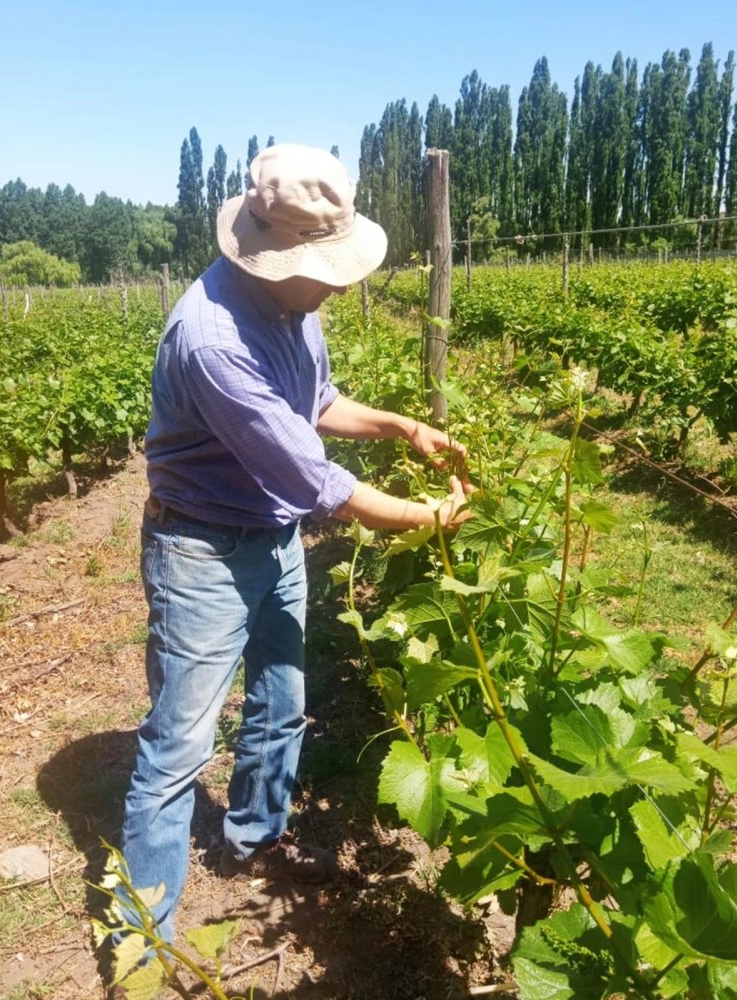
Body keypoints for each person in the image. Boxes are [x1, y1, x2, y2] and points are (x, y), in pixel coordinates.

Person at [117, 143, 471, 948]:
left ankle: (252, 836)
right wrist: (430, 518)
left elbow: (316, 400)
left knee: (282, 700)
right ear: (276, 259)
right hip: (201, 552)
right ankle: (144, 942)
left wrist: (403, 425)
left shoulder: (292, 307)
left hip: (272, 534)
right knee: (179, 747)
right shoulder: (213, 341)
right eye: (332, 270)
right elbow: (322, 484)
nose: (341, 286)